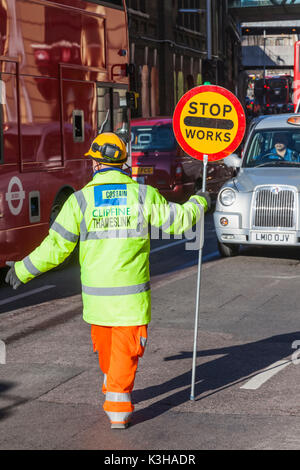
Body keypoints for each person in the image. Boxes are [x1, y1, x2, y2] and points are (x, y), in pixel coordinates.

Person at [5, 132, 210, 430]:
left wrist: (23, 270)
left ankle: (114, 392)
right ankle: (118, 408)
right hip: (131, 301)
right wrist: (199, 202)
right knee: (124, 355)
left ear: (96, 165)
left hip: (97, 304)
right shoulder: (142, 195)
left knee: (109, 355)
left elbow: (55, 248)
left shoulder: (80, 201)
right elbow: (177, 221)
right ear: (122, 164)